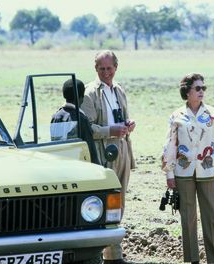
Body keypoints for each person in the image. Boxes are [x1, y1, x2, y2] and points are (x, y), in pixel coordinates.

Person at [162, 73, 214, 264]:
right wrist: (169, 173)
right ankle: (192, 259)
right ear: (187, 91)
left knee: (212, 215)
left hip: (208, 170)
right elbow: (170, 145)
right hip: (183, 172)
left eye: (204, 88)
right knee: (187, 217)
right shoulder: (176, 116)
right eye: (198, 88)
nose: (202, 91)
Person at [81, 50, 135, 264]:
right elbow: (86, 128)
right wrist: (110, 131)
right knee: (107, 203)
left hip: (122, 148)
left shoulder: (119, 90)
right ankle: (111, 255)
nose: (106, 73)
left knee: (120, 202)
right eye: (101, 69)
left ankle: (112, 253)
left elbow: (122, 117)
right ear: (96, 69)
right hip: (104, 151)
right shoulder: (89, 93)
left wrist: (128, 125)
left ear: (116, 68)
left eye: (109, 68)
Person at [51, 78, 99, 165]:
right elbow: (90, 150)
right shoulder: (82, 119)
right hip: (78, 166)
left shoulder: (56, 116)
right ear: (82, 98)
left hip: (60, 164)